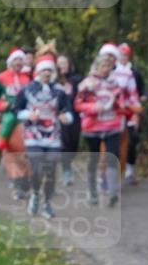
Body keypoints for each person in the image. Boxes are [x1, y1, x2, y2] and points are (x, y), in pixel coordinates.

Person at [14, 55, 73, 218]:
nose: (47, 72)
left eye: (50, 70)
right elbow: (16, 111)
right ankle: (35, 194)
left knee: (51, 171)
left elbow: (68, 111)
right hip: (33, 135)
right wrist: (28, 114)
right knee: (37, 167)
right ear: (38, 72)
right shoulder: (26, 90)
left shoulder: (59, 91)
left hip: (53, 136)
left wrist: (65, 117)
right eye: (44, 69)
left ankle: (47, 204)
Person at [75, 53, 127, 206]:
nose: (106, 69)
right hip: (92, 127)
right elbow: (78, 104)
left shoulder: (115, 83)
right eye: (103, 66)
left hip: (111, 125)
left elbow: (120, 102)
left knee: (112, 157)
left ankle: (112, 193)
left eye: (108, 66)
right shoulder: (87, 84)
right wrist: (92, 107)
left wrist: (119, 106)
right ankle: (92, 192)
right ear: (97, 67)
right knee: (94, 158)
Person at [0, 47, 32, 199]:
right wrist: (1, 105)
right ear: (10, 61)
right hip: (7, 114)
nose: (19, 62)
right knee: (10, 154)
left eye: (21, 60)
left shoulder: (27, 78)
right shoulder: (1, 77)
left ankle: (25, 180)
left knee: (24, 151)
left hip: (23, 118)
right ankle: (16, 186)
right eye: (16, 59)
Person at [117, 43, 146, 185]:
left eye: (125, 55)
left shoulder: (134, 72)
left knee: (132, 139)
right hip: (116, 112)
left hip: (131, 111)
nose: (123, 57)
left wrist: (142, 98)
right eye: (120, 55)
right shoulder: (112, 72)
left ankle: (130, 170)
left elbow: (141, 90)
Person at [55, 54, 83, 185]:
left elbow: (82, 96)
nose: (62, 66)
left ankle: (67, 164)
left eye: (64, 63)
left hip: (75, 115)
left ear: (69, 64)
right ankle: (66, 172)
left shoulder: (77, 79)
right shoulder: (53, 80)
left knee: (73, 144)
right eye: (59, 63)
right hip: (60, 115)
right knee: (64, 144)